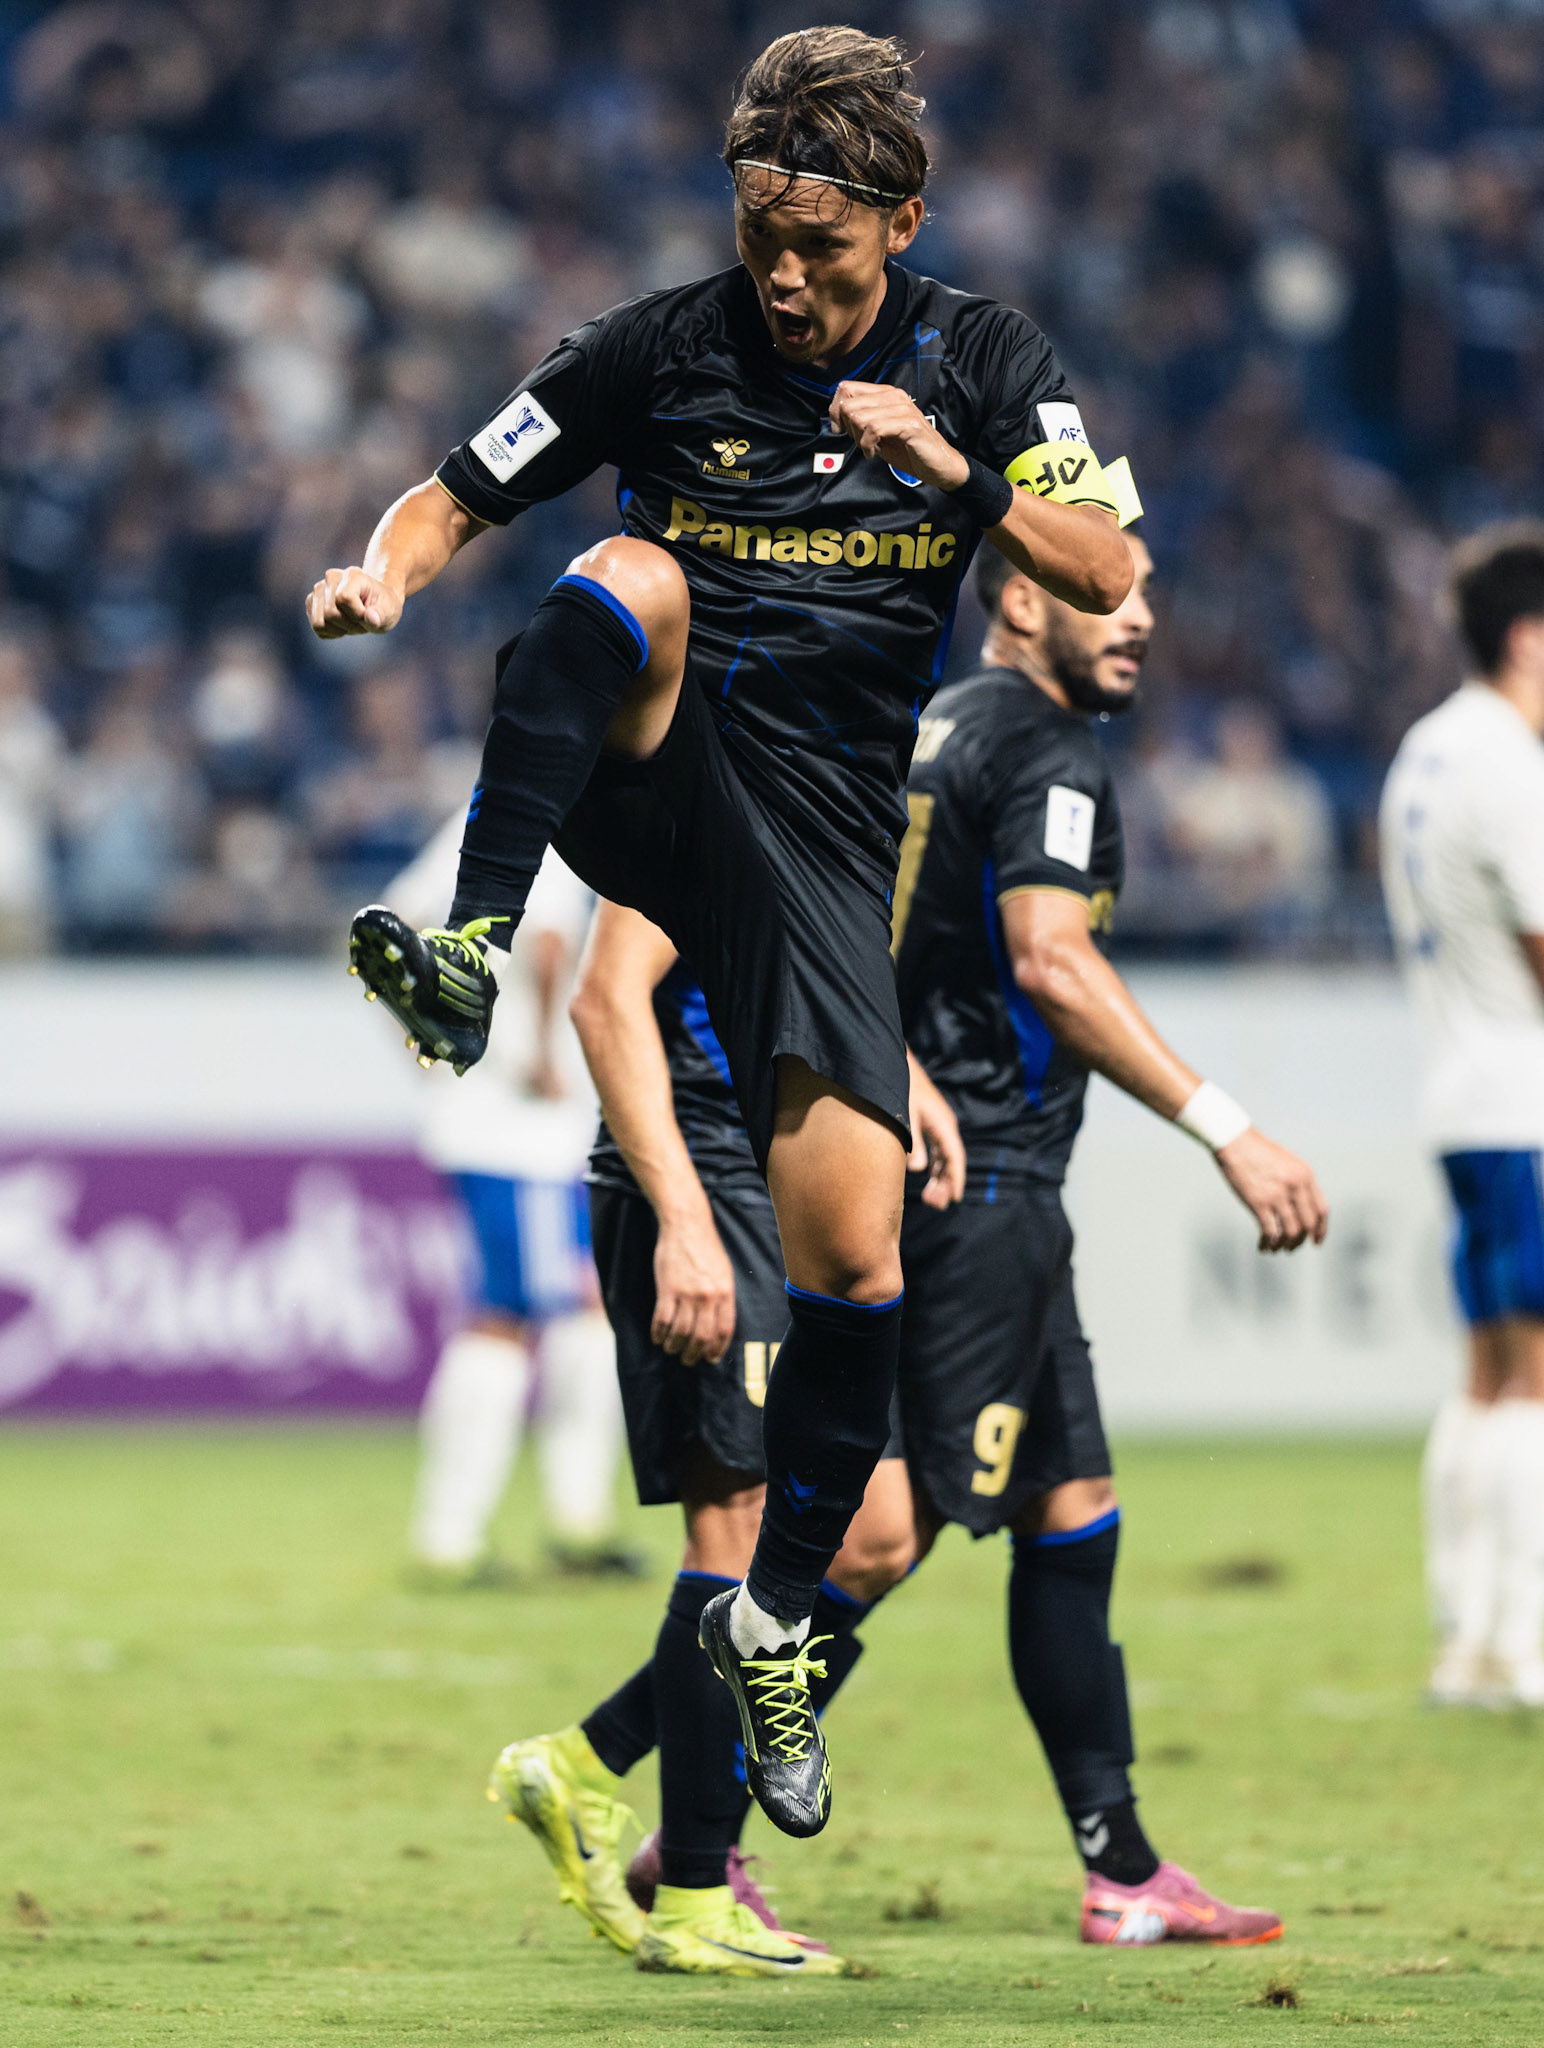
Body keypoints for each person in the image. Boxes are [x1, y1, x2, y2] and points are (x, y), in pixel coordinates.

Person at [309, 26, 1135, 1838]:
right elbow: (455, 487)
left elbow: (1105, 574)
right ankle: (466, 938)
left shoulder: (984, 364)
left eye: (821, 250)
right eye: (761, 235)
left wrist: (950, 475)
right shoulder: (656, 347)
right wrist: (388, 570)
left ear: (899, 222)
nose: (781, 275)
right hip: (674, 786)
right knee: (620, 576)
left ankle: (771, 1626)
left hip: (834, 856)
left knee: (853, 1278)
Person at [815, 532, 1327, 1947]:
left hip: (965, 1175)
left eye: (1151, 589)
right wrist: (1227, 1125)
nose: (1142, 618)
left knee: (1070, 1507)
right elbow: (1051, 957)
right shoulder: (1042, 748)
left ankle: (1121, 1869)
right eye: (1109, 591)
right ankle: (669, 1804)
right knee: (880, 1538)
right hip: (979, 1191)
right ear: (1023, 598)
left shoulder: (934, 727)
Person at [487, 899, 961, 1976]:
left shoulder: (819, 792)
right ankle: (698, 1889)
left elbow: (806, 966)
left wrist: (895, 1075)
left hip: (777, 1170)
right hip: (700, 1182)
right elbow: (605, 998)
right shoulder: (707, 788)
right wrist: (687, 1222)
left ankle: (585, 1758)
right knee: (736, 1519)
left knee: (875, 1530)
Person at [1380, 522, 1544, 1713]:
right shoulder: (1522, 775)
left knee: (1488, 1372)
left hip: (1457, 1095)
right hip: (1537, 1105)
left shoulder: (1428, 752)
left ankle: (1465, 1642)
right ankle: (1519, 1652)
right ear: (1530, 635)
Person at [388, 809, 635, 1584]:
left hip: (512, 1123)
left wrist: (432, 1029)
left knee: (578, 1315)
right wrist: (531, 1049)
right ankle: (452, 1535)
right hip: (525, 1128)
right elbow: (554, 937)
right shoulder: (562, 801)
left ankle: (574, 1519)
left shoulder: (483, 807)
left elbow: (397, 929)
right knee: (512, 1316)